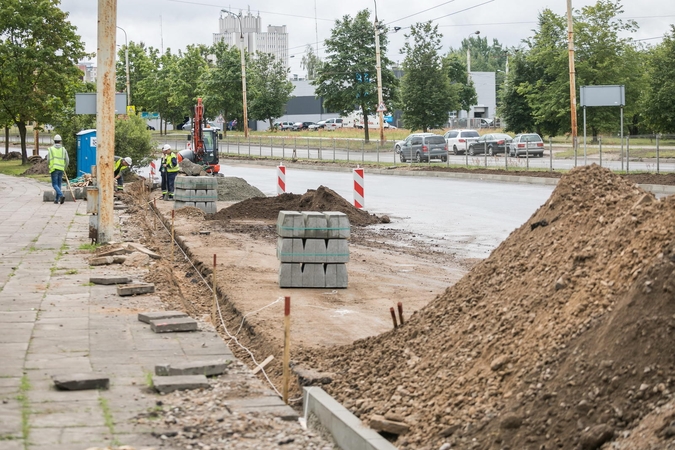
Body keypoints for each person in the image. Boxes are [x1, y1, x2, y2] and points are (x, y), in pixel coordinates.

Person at [46, 134, 69, 204]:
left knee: (54, 185)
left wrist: (49, 166)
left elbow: (48, 160)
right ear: (60, 141)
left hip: (54, 169)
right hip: (61, 169)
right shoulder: (63, 149)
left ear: (54, 141)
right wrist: (65, 167)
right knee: (59, 185)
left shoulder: (51, 149)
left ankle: (61, 195)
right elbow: (67, 160)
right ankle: (56, 199)